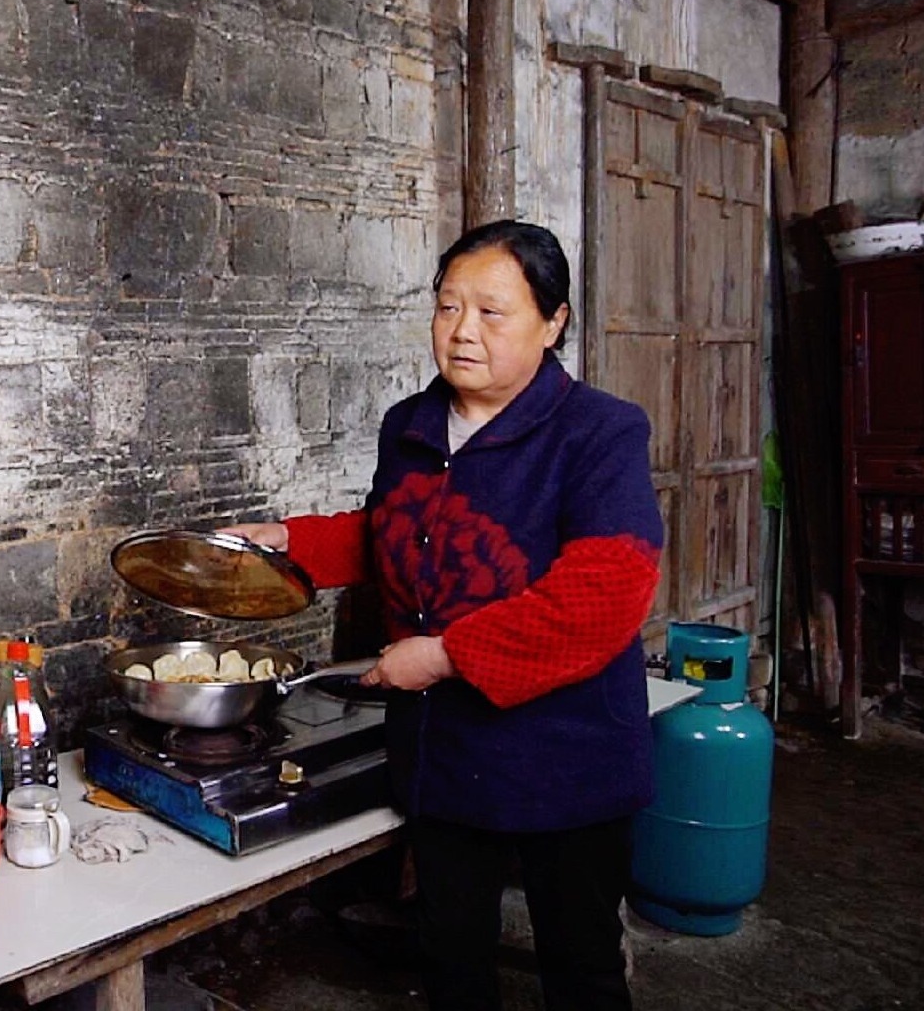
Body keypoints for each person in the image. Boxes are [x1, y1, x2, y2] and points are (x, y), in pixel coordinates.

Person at [227, 220, 662, 1011]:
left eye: (492, 312)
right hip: (447, 750)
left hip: (568, 751)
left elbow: (605, 594)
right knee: (452, 955)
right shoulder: (413, 425)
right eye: (448, 306)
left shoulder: (599, 433)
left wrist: (443, 655)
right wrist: (290, 541)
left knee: (581, 966)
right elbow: (398, 530)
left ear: (553, 321)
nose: (462, 332)